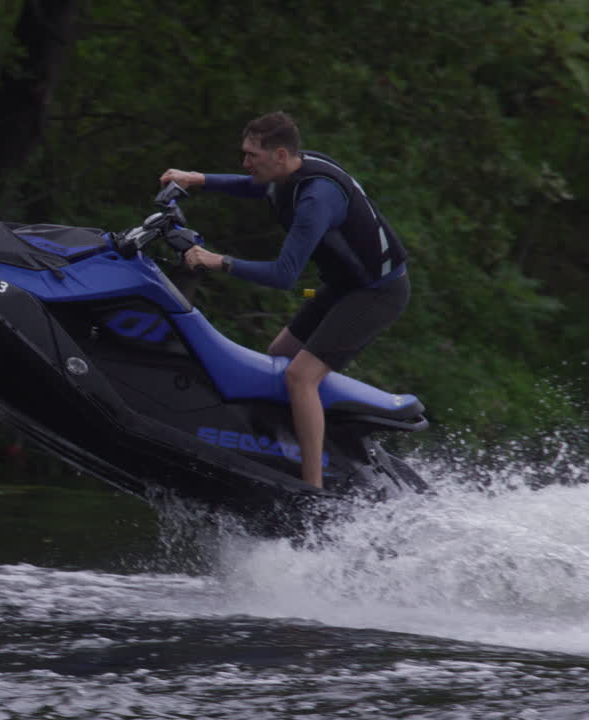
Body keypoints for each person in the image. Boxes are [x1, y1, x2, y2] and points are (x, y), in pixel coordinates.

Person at [159, 111, 409, 490]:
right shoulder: (290, 171)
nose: (245, 163)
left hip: (377, 294)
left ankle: (312, 489)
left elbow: (283, 275)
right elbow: (256, 186)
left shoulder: (315, 199)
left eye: (251, 156)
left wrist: (217, 260)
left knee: (300, 376)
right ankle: (285, 448)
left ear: (279, 155)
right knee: (280, 354)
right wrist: (197, 180)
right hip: (344, 285)